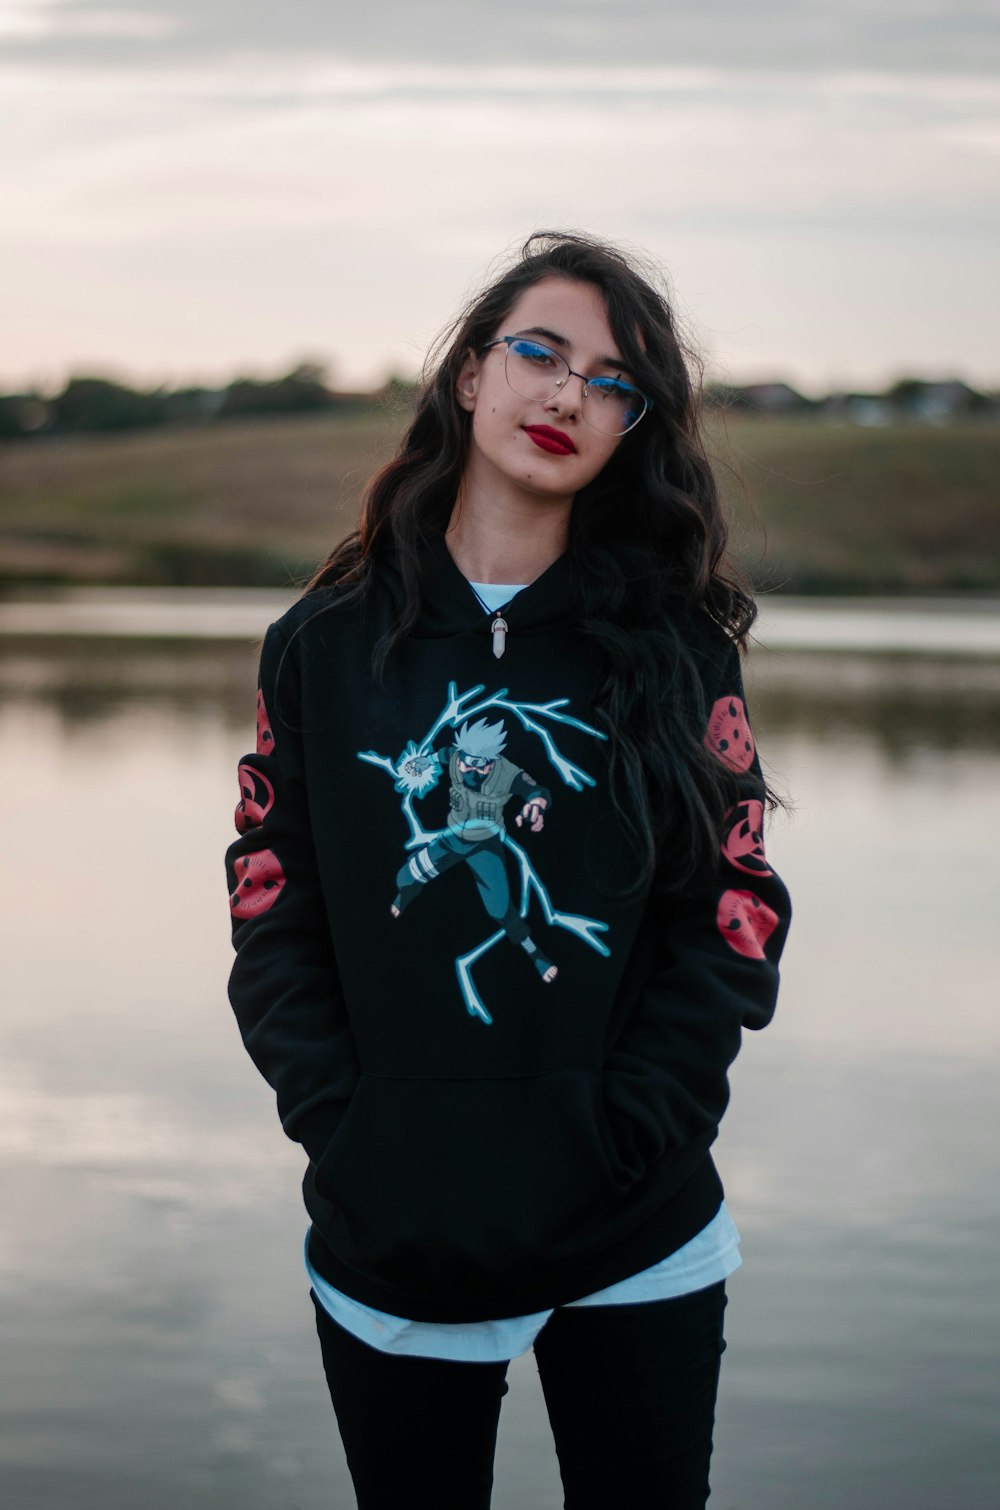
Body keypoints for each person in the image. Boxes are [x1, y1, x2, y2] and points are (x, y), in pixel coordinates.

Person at [224, 230, 792, 1510]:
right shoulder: (321, 644)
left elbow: (736, 909)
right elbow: (272, 902)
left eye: (609, 381)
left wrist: (629, 1129)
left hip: (632, 1233)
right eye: (539, 352)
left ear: (630, 429)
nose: (565, 395)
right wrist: (350, 1130)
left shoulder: (675, 650)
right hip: (394, 1230)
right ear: (470, 376)